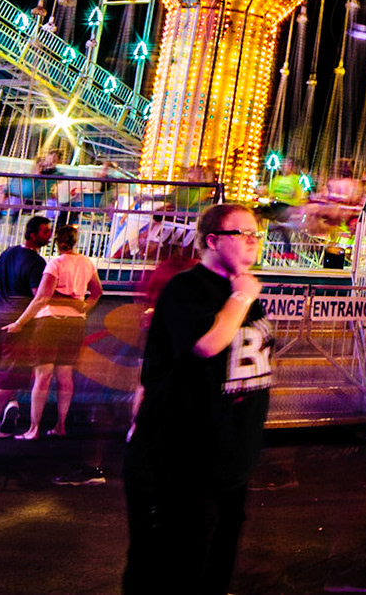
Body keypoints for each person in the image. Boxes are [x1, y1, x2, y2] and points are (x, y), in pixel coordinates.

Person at [124, 201, 275, 595]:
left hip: (231, 458)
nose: (253, 242)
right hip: (183, 459)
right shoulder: (187, 289)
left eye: (256, 234)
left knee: (216, 565)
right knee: (173, 568)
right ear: (212, 240)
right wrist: (241, 298)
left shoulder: (242, 289)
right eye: (243, 233)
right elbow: (207, 345)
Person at [4, 220, 102, 439]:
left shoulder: (55, 264)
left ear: (57, 242)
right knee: (65, 376)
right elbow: (97, 291)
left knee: (43, 377)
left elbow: (41, 298)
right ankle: (61, 426)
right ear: (76, 242)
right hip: (75, 324)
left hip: (50, 323)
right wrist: (84, 307)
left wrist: (19, 322)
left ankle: (33, 429)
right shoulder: (87, 263)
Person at [0, 215, 51, 438]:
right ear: (33, 235)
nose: (48, 235)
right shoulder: (37, 263)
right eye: (45, 232)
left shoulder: (9, 252)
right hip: (15, 324)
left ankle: (11, 405)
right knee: (10, 376)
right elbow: (37, 296)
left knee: (0, 372)